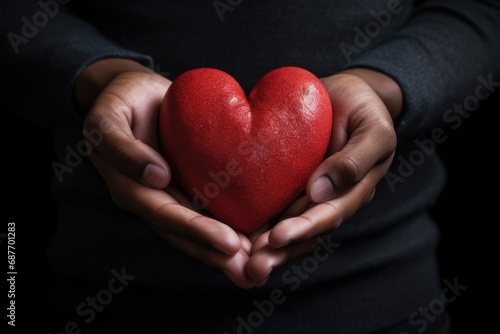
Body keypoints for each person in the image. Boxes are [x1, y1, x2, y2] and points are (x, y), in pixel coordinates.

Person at [2, 1, 499, 333]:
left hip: (386, 297)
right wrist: (99, 75)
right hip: (108, 298)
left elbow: (481, 9)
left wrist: (384, 87)